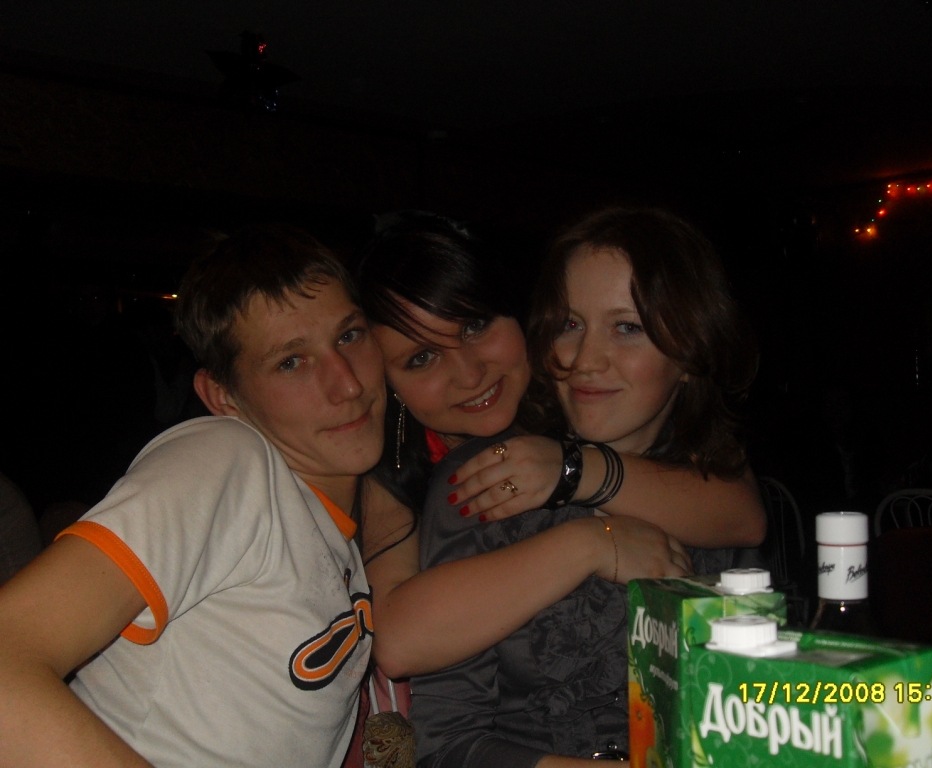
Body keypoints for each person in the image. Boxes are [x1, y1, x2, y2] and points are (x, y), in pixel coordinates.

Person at [355, 209, 764, 766]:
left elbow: (744, 517)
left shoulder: (695, 470)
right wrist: (594, 543)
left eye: (475, 325)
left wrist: (575, 470)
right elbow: (402, 645)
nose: (584, 360)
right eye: (421, 358)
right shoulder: (436, 476)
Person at [0, 223, 385, 767]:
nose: (347, 383)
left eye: (349, 336)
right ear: (222, 397)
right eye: (290, 362)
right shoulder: (225, 459)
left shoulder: (326, 532)